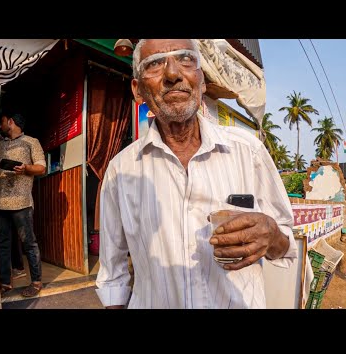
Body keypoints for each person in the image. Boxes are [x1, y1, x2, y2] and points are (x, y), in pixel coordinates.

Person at [95, 39, 298, 309]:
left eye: (185, 59)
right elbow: (113, 277)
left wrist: (272, 236)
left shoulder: (249, 152)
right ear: (138, 89)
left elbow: (287, 247)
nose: (173, 74)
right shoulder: (121, 171)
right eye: (155, 63)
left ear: (201, 81)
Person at [0, 112, 46, 297]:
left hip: (22, 202)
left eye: (2, 122)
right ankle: (5, 282)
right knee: (2, 244)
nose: (0, 126)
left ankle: (36, 281)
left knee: (29, 243)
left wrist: (26, 168)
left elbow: (41, 167)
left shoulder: (31, 142)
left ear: (11, 121)